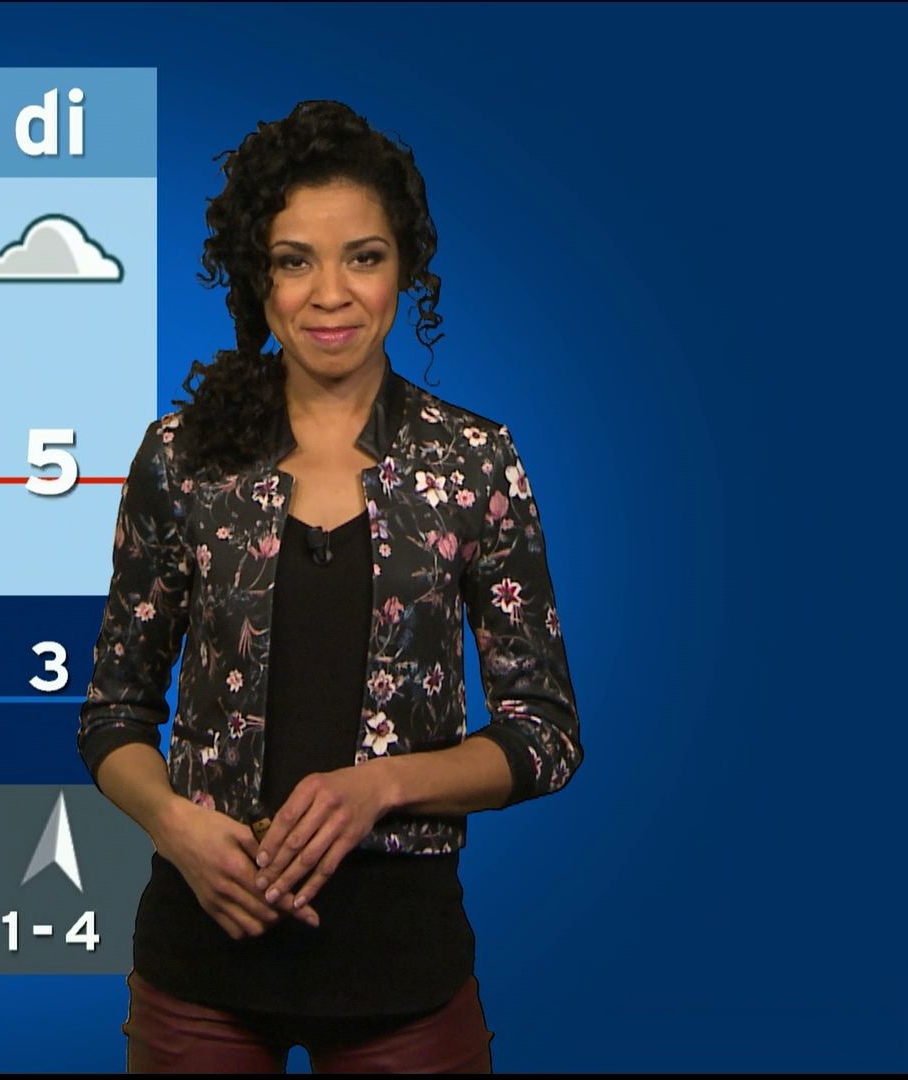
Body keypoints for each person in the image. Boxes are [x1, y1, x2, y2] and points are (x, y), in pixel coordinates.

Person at [78, 100, 584, 1073]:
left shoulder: (474, 463)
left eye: (363, 256)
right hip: (201, 960)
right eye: (293, 260)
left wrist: (382, 786)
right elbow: (114, 712)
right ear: (256, 279)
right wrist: (175, 825)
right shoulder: (182, 458)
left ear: (405, 268)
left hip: (404, 967)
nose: (330, 294)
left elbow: (545, 733)